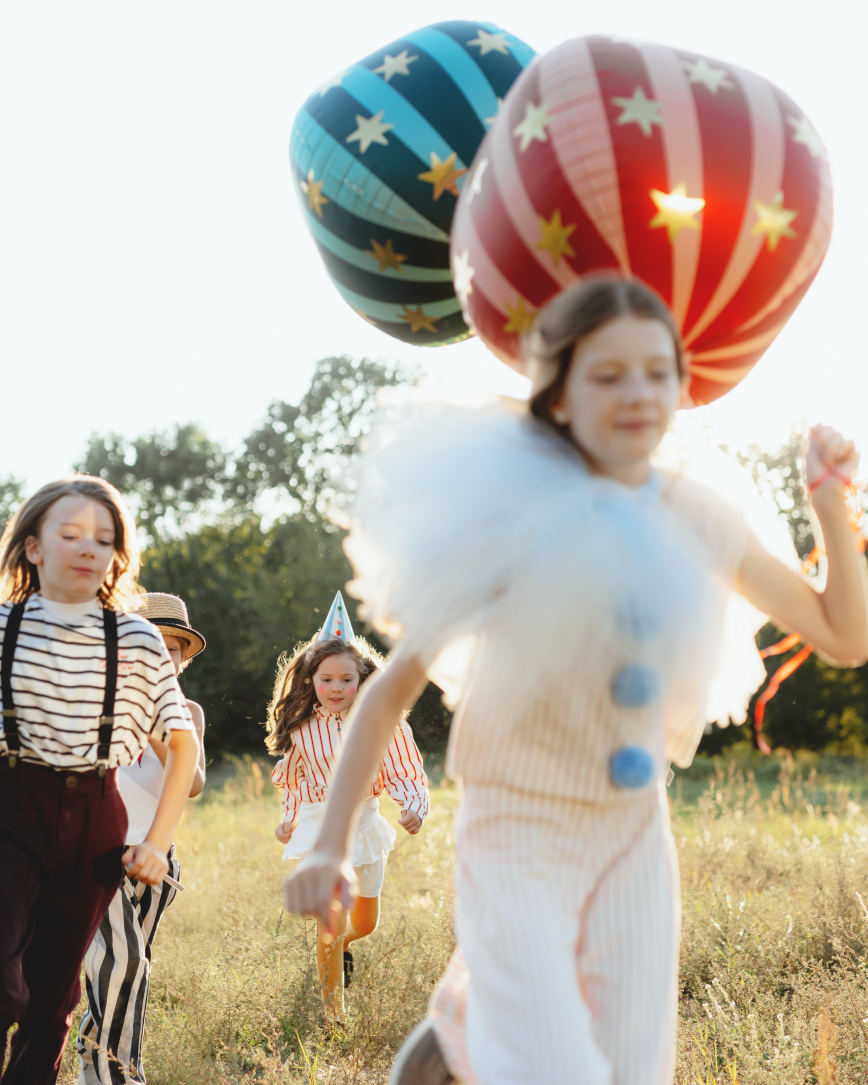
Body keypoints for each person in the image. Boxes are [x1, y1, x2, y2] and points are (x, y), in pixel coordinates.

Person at [282, 276, 868, 1084]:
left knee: (633, 1071)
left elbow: (843, 635)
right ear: (558, 395)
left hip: (632, 833)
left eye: (658, 372)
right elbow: (388, 694)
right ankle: (460, 1036)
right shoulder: (514, 510)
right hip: (514, 827)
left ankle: (455, 1034)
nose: (638, 393)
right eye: (607, 374)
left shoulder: (698, 511)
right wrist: (332, 846)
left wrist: (828, 505)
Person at [0, 477, 200, 1085]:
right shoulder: (4, 625)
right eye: (70, 534)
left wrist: (156, 844)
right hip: (10, 804)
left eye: (105, 539)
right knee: (3, 988)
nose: (89, 548)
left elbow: (183, 743)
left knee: (52, 1000)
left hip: (96, 814)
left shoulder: (136, 638)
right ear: (33, 547)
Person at [267, 591, 430, 1025]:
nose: (335, 688)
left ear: (362, 680)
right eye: (326, 679)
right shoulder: (302, 729)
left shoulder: (383, 721)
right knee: (330, 925)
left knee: (365, 923)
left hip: (367, 821)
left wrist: (413, 806)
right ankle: (334, 1013)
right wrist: (289, 819)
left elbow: (405, 770)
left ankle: (340, 949)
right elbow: (294, 779)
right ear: (310, 680)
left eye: (345, 680)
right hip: (321, 826)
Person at [76, 592, 207, 1085]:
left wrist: (160, 720)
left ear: (183, 659)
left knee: (125, 971)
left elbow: (191, 781)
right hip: (99, 855)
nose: (164, 655)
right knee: (123, 959)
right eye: (150, 643)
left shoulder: (187, 713)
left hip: (156, 859)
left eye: (175, 648)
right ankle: (119, 1076)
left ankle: (95, 1062)